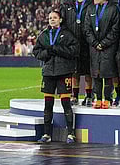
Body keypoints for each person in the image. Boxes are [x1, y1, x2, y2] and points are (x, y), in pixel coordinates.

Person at [33, 10, 79, 143]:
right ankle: (47, 134)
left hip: (64, 72)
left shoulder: (67, 34)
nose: (52, 20)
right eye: (50, 18)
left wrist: (57, 49)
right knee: (48, 104)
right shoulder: (44, 35)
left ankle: (71, 134)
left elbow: (75, 50)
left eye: (54, 18)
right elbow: (36, 52)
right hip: (48, 73)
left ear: (60, 20)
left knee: (66, 104)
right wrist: (47, 52)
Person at [84, 0, 120, 109]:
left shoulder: (113, 9)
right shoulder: (90, 9)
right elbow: (87, 28)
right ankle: (98, 98)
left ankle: (108, 99)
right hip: (94, 47)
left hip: (108, 47)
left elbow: (115, 29)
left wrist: (104, 43)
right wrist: (95, 43)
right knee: (96, 73)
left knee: (108, 73)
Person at [60, 0, 93, 107]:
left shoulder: (90, 3)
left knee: (88, 72)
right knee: (75, 72)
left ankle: (89, 96)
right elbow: (63, 21)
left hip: (87, 42)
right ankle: (74, 96)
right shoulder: (68, 3)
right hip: (73, 42)